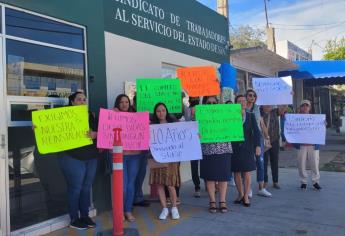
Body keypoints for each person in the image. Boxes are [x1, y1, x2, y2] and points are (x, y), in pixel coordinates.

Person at [58, 91, 99, 230]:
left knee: (87, 188)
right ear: (72, 102)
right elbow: (51, 129)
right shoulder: (64, 115)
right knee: (75, 188)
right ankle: (74, 219)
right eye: (79, 99)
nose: (82, 102)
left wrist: (96, 134)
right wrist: (37, 129)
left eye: (84, 99)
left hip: (91, 157)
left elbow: (104, 131)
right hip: (73, 157)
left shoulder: (92, 115)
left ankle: (85, 216)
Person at [113, 94, 145, 221]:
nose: (124, 104)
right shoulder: (112, 115)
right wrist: (113, 112)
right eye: (121, 102)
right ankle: (119, 211)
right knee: (122, 185)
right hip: (119, 156)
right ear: (117, 103)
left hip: (134, 156)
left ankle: (128, 210)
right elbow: (106, 127)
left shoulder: (135, 116)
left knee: (131, 184)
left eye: (126, 102)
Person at [200, 96, 233, 213]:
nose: (212, 105)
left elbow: (234, 126)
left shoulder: (225, 114)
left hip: (224, 149)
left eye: (214, 103)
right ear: (204, 105)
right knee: (210, 177)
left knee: (223, 176)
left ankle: (222, 201)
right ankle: (212, 201)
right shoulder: (200, 116)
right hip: (207, 151)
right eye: (208, 103)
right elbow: (193, 131)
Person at [149, 103, 181, 220]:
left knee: (170, 184)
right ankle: (164, 208)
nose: (161, 113)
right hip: (156, 158)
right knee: (159, 184)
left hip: (171, 159)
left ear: (166, 111)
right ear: (155, 113)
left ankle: (174, 207)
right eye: (158, 111)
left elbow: (185, 135)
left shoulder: (174, 124)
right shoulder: (151, 126)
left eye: (163, 110)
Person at [232, 95, 261, 207]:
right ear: (236, 103)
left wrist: (257, 145)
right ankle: (240, 194)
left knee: (247, 172)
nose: (242, 102)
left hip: (247, 147)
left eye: (243, 100)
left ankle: (246, 196)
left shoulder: (251, 116)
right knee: (237, 172)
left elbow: (256, 132)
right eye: (239, 101)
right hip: (234, 148)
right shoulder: (230, 116)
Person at [245, 89, 272, 197]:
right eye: (250, 95)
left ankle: (261, 188)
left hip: (258, 138)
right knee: (248, 164)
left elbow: (261, 123)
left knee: (260, 162)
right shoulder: (240, 108)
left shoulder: (257, 109)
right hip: (246, 138)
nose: (252, 97)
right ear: (246, 96)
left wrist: (267, 136)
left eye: (254, 96)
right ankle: (248, 188)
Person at [294, 100, 322, 190]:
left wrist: (323, 124)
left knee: (315, 164)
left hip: (313, 145)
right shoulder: (295, 119)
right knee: (301, 164)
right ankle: (303, 182)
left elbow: (321, 129)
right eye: (303, 105)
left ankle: (315, 182)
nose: (305, 107)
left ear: (310, 108)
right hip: (301, 145)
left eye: (307, 105)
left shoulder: (315, 118)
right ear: (300, 107)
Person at [131, 94, 150, 207]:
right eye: (138, 101)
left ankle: (138, 197)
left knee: (141, 173)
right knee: (132, 175)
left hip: (143, 149)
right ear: (134, 102)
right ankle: (131, 198)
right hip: (132, 151)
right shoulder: (128, 112)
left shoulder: (148, 113)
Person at [261, 105, 281, 189]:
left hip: (274, 140)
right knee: (264, 162)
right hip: (263, 141)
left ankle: (275, 181)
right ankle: (265, 181)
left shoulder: (275, 111)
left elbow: (283, 108)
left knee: (275, 161)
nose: (268, 105)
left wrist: (287, 96)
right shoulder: (259, 112)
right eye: (266, 103)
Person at [187, 97, 203, 197]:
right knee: (194, 167)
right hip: (192, 145)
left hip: (203, 144)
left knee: (205, 165)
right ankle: (197, 186)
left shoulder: (204, 114)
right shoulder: (186, 114)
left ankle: (210, 183)